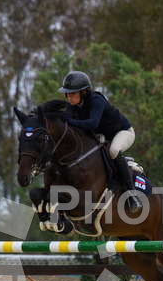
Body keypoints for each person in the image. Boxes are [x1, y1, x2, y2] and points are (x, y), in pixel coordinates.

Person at [59, 70, 141, 210]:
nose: (69, 97)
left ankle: (132, 195)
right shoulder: (74, 106)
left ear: (83, 92)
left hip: (123, 132)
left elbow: (92, 124)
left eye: (72, 93)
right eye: (67, 94)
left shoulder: (96, 100)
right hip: (104, 136)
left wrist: (70, 121)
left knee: (114, 151)